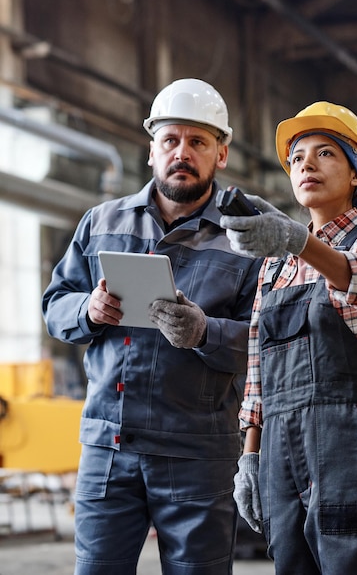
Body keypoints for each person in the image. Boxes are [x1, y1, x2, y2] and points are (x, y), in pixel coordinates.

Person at [42, 78, 262, 575]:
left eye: (198, 142)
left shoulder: (244, 241)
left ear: (221, 154)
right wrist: (87, 311)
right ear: (151, 150)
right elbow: (55, 304)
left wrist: (206, 332)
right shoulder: (100, 222)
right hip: (108, 449)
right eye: (171, 140)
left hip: (198, 455)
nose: (182, 152)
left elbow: (266, 344)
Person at [220, 101, 357, 574]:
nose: (307, 163)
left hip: (354, 450)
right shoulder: (274, 265)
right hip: (281, 460)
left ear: (355, 175)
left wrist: (297, 239)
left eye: (325, 153)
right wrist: (250, 458)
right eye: (298, 157)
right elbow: (258, 376)